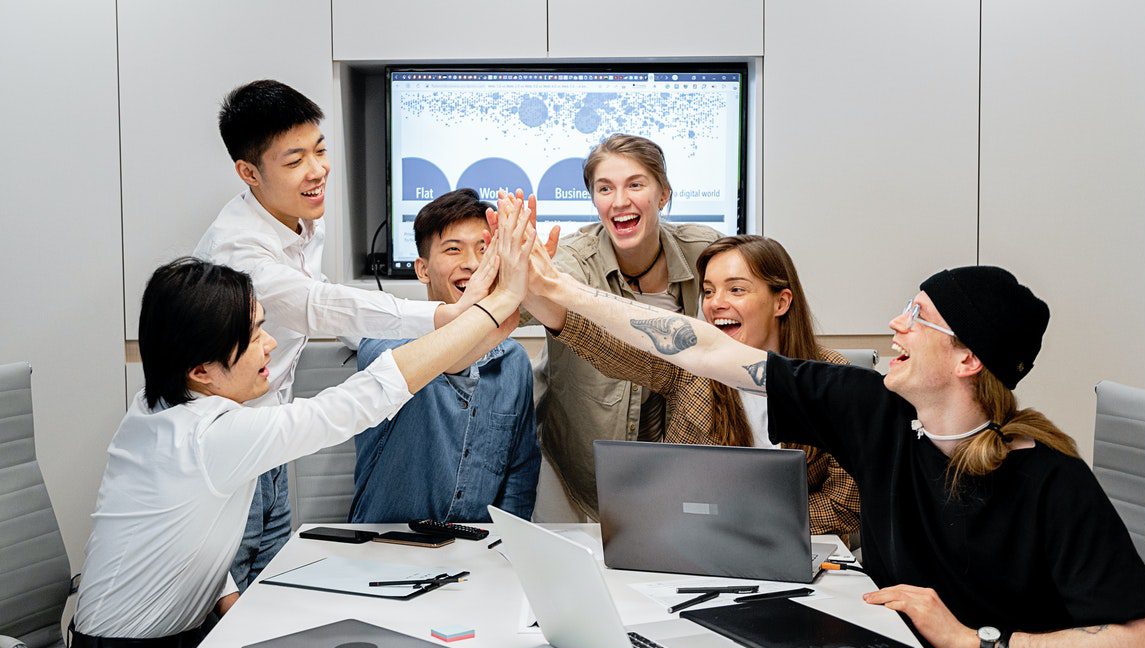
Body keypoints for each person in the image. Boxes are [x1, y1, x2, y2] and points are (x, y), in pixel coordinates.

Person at [524, 251, 1145, 648]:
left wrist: (970, 640)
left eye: (917, 315)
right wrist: (561, 290)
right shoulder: (881, 413)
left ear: (967, 359)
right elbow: (703, 349)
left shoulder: (1052, 481)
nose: (894, 323)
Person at [59, 202, 534, 648]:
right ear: (201, 370)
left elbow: (177, 536)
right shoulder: (210, 436)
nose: (269, 347)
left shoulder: (159, 405)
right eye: (254, 334)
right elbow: (357, 401)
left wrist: (477, 303)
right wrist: (498, 301)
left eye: (262, 326)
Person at [193, 80, 497, 591]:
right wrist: (443, 318)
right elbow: (317, 306)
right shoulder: (238, 250)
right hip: (226, 447)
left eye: (320, 150)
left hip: (271, 437)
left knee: (266, 591)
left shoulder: (301, 216)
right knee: (224, 600)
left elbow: (320, 294)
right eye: (294, 161)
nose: (317, 171)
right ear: (249, 172)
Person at [526, 234, 858, 542]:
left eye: (736, 290)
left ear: (781, 302)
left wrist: (743, 523)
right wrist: (529, 287)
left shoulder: (830, 378)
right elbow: (605, 345)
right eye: (709, 290)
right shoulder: (694, 367)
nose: (716, 303)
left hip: (796, 550)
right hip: (696, 548)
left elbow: (845, 505)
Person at [538, 134, 722, 520]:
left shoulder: (707, 251)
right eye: (605, 188)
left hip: (686, 470)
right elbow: (522, 306)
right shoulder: (574, 260)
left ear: (663, 194)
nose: (619, 201)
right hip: (583, 475)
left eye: (635, 184)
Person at [349, 190, 539, 524]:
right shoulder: (382, 341)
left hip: (478, 556)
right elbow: (443, 363)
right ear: (422, 270)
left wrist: (506, 549)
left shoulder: (513, 361)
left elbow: (519, 473)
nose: (473, 263)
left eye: (485, 248)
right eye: (454, 249)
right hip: (384, 547)